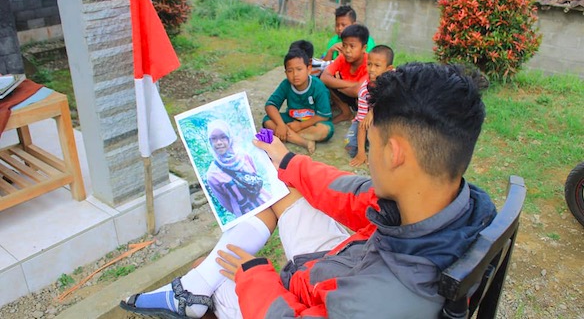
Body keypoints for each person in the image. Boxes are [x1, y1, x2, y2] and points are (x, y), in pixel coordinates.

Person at [120, 62, 497, 318]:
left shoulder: (373, 304)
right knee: (280, 190)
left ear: (395, 153)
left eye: (371, 140)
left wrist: (253, 275)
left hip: (310, 291)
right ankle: (191, 290)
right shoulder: (447, 201)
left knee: (224, 280)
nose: (366, 155)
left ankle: (195, 294)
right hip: (347, 261)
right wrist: (284, 161)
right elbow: (346, 191)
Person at [262, 48, 334, 154]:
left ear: (309, 69)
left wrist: (300, 126)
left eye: (299, 69)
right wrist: (281, 125)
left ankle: (286, 135)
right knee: (268, 120)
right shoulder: (286, 84)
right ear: (286, 72)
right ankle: (303, 142)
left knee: (325, 130)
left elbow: (324, 115)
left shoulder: (318, 86)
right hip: (292, 119)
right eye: (290, 71)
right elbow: (270, 105)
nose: (295, 74)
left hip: (312, 122)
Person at [206, 119, 268, 217]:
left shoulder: (244, 157)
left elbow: (255, 178)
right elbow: (226, 203)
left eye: (223, 137)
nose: (219, 142)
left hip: (265, 201)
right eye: (214, 138)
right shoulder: (212, 175)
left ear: (230, 138)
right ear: (210, 142)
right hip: (246, 215)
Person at [345, 45, 394, 167]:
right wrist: (361, 153)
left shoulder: (395, 82)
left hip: (384, 120)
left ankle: (375, 142)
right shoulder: (364, 91)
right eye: (369, 64)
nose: (371, 69)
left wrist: (372, 112)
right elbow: (362, 123)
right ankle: (367, 143)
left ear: (389, 69)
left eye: (377, 66)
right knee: (350, 147)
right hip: (363, 121)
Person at [320, 24, 370, 123]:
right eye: (344, 45)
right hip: (349, 90)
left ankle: (362, 118)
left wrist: (338, 84)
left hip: (362, 99)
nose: (347, 50)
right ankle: (346, 113)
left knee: (363, 93)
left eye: (352, 46)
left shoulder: (369, 63)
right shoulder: (343, 58)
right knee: (326, 82)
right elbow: (324, 77)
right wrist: (353, 84)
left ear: (364, 48)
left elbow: (358, 91)